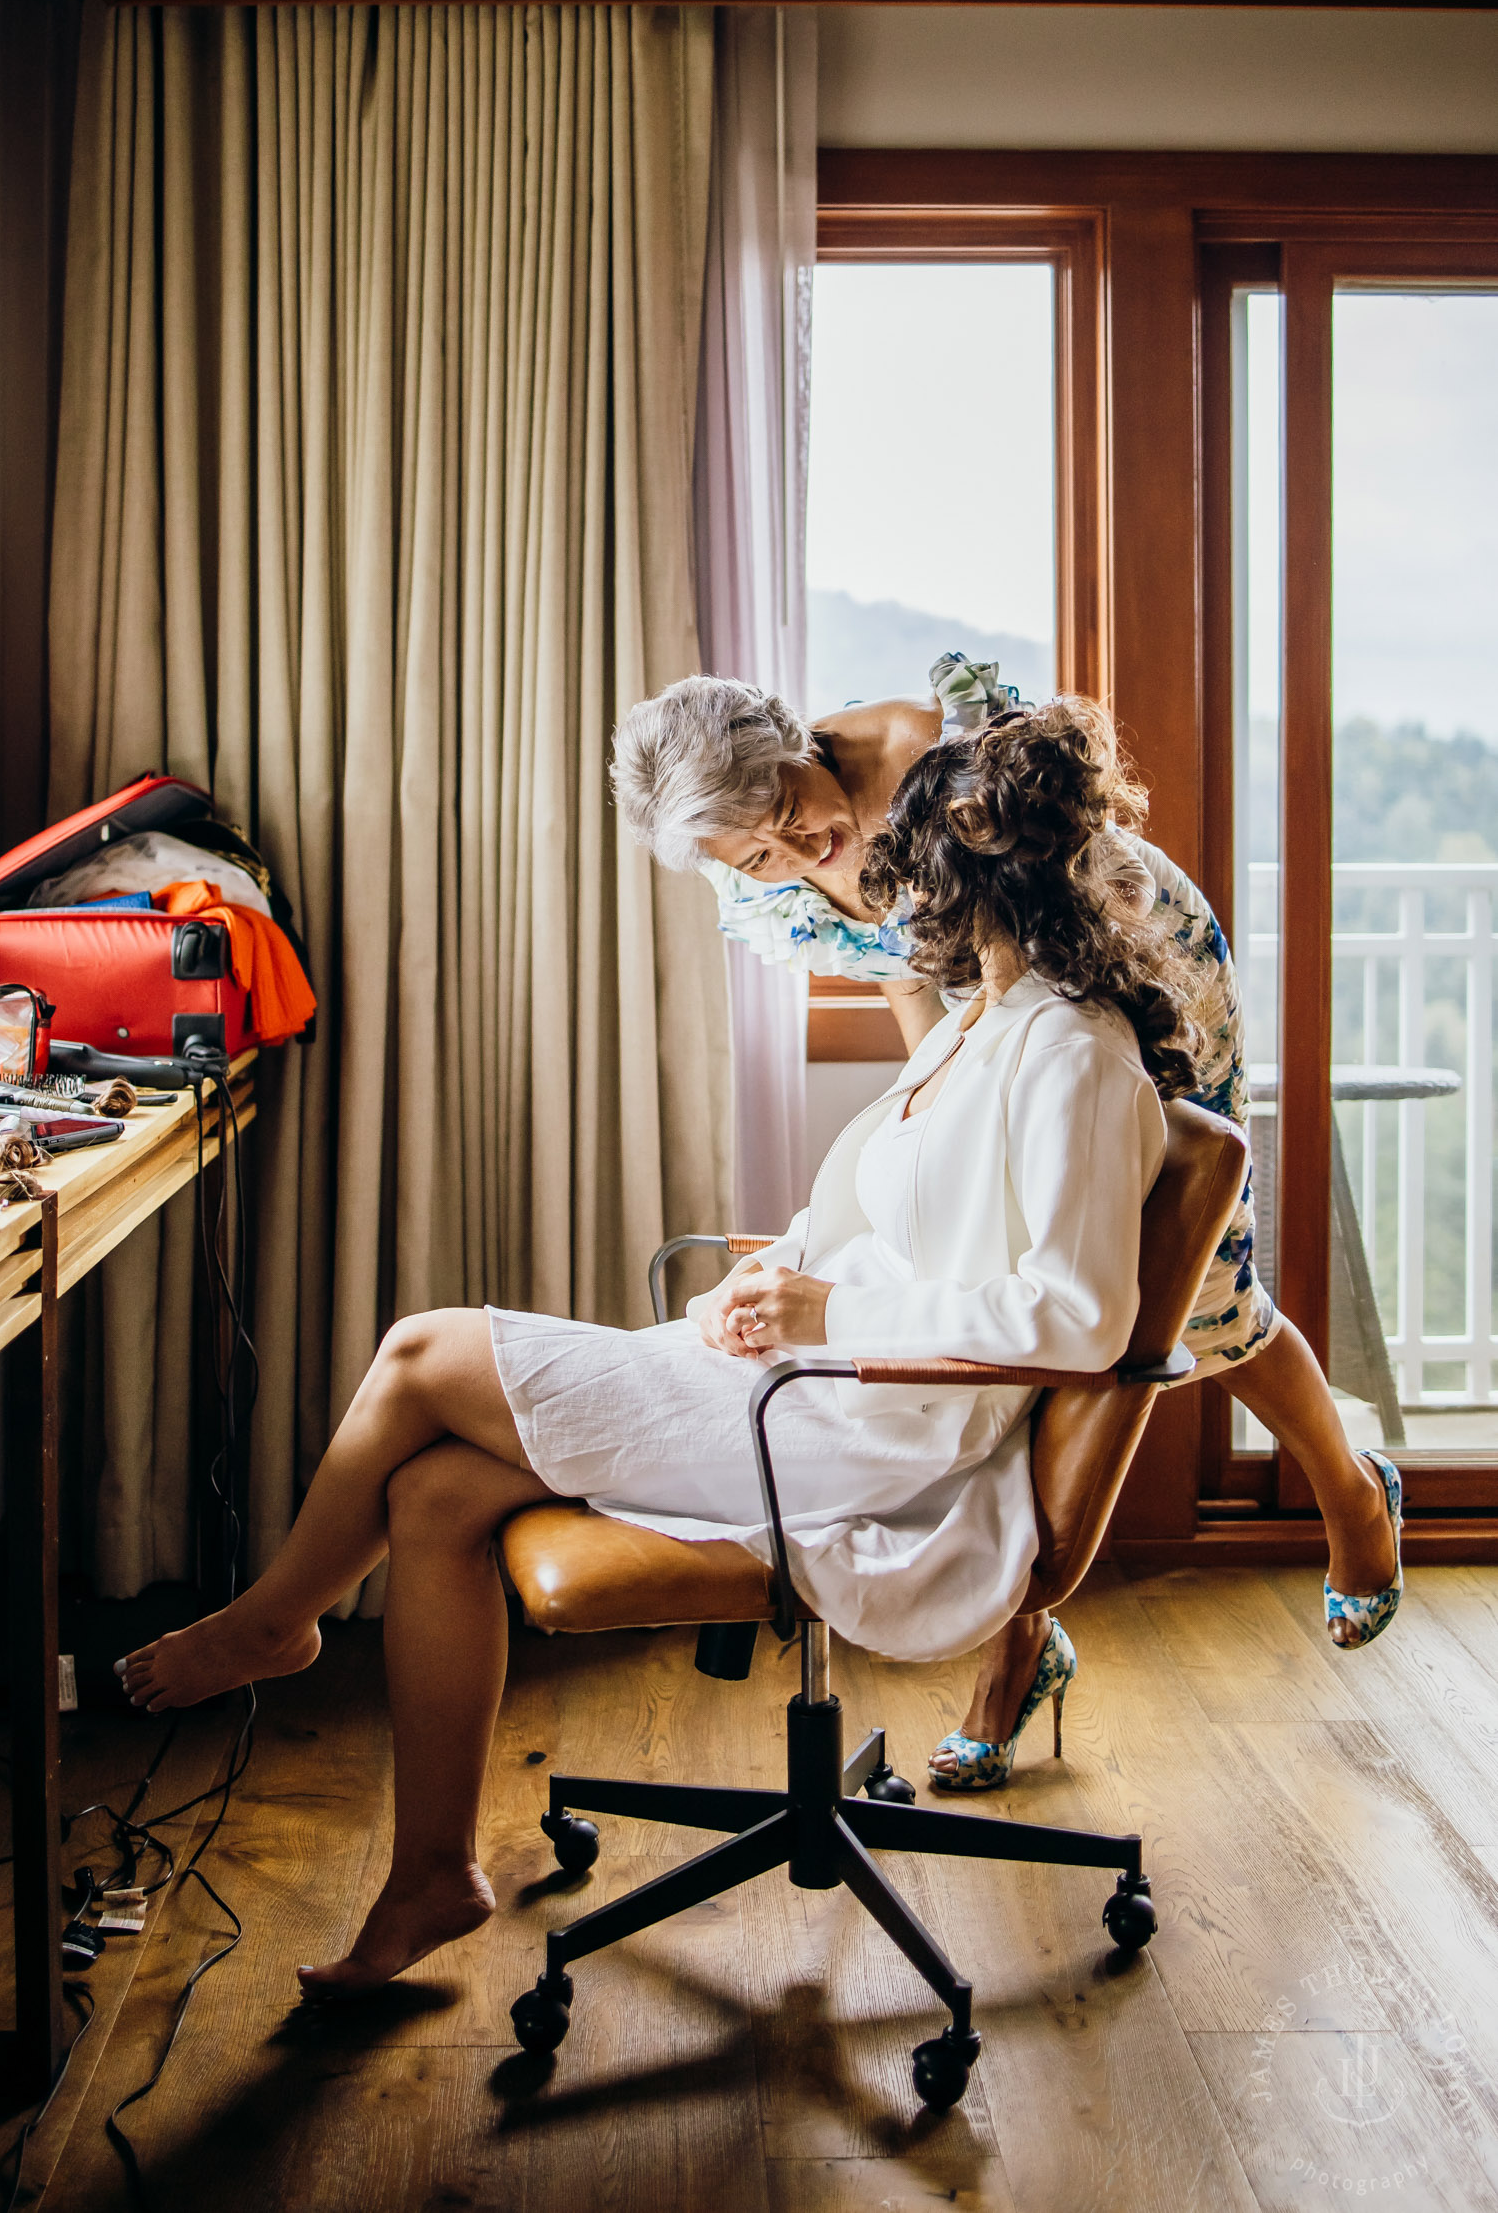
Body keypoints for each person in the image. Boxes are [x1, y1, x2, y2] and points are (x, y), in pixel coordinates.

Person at [119, 700, 1188, 1996]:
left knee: (417, 1355)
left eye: (903, 864)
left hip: (867, 1427)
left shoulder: (1069, 1051)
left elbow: (1076, 1321)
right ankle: (431, 1879)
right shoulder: (976, 1025)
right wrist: (783, 1270)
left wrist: (827, 1321)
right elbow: (891, 1216)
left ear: (974, 873)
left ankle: (275, 1621)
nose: (866, 889)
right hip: (810, 1376)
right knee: (431, 1492)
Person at [610, 662, 1403, 1784]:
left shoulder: (923, 746)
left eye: (792, 819)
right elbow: (909, 976)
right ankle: (1017, 1644)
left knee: (1194, 1291)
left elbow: (1049, 888)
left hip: (1118, 970)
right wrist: (935, 1128)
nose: (793, 857)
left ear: (796, 740)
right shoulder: (753, 865)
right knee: (993, 1308)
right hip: (987, 1014)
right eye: (755, 856)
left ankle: (1351, 1497)